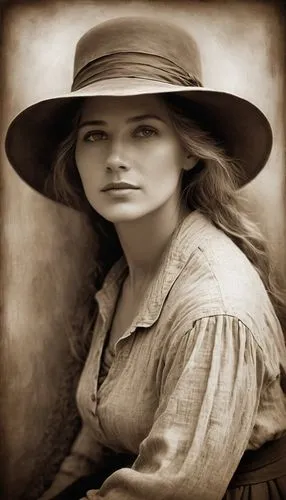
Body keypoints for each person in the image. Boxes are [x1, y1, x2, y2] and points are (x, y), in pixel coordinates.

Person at [5, 16, 286, 500]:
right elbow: (99, 430)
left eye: (144, 132)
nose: (115, 157)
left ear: (189, 152)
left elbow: (171, 493)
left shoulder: (214, 307)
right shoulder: (124, 277)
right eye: (95, 135)